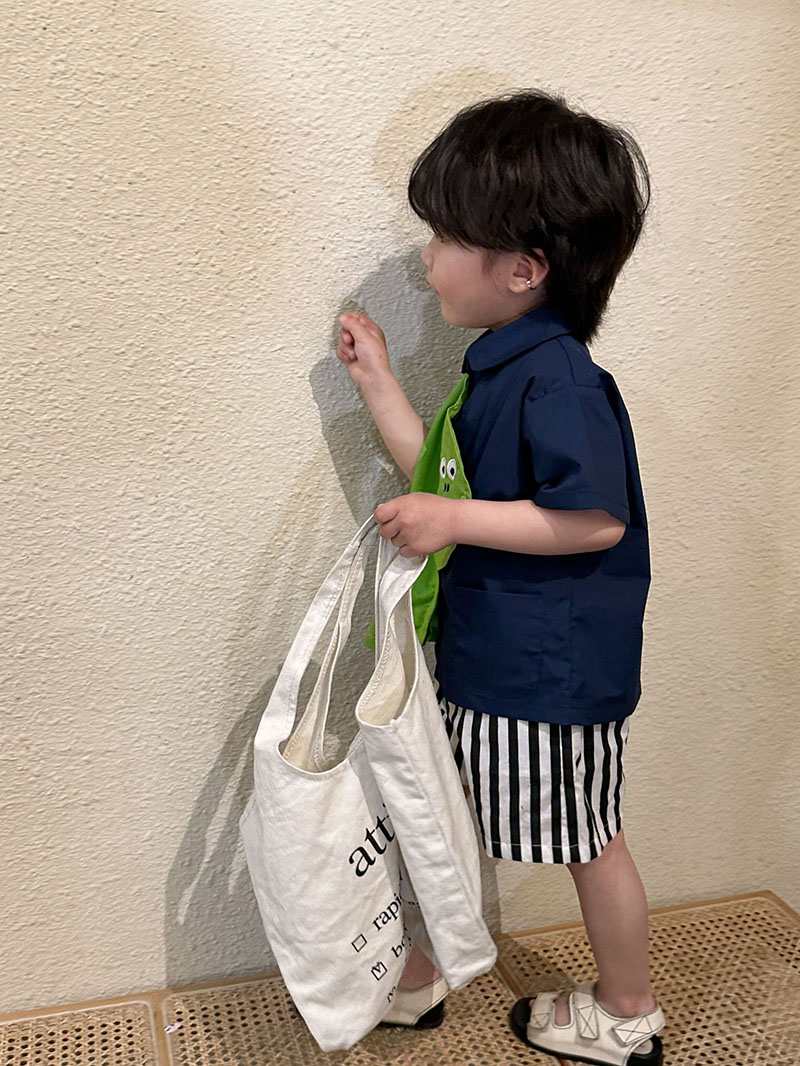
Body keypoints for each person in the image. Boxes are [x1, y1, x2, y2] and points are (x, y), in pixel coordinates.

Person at [336, 88, 666, 1066]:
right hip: (493, 660)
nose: (426, 257)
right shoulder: (499, 368)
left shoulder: (560, 379)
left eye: (445, 236)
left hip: (546, 676)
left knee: (585, 838)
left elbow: (593, 517)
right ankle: (418, 971)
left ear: (523, 269)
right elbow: (446, 486)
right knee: (436, 812)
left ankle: (628, 1009)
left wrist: (449, 521)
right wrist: (378, 382)